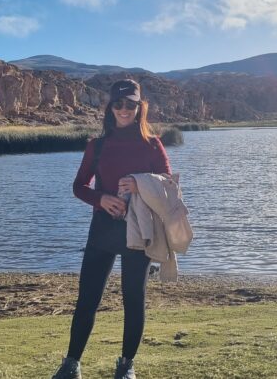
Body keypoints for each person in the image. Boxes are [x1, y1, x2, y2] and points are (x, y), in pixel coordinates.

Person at [52, 79, 171, 379]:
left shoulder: (152, 144)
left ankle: (126, 365)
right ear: (110, 107)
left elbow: (169, 186)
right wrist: (100, 198)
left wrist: (141, 183)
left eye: (130, 104)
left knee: (133, 298)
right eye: (118, 104)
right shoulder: (98, 145)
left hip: (138, 231)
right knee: (87, 298)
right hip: (102, 230)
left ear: (140, 107)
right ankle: (72, 365)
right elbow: (78, 186)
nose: (124, 109)